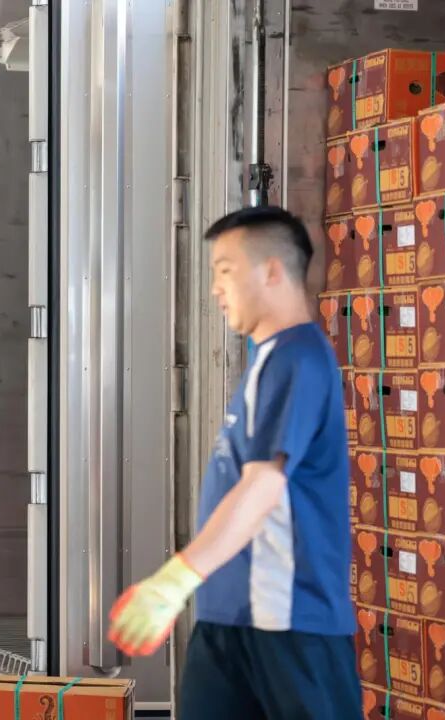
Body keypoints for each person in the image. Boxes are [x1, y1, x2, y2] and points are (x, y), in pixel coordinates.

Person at [108, 206, 359, 719]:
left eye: (225, 271)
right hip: (229, 616)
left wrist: (175, 580)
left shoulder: (297, 358)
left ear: (272, 271)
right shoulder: (265, 360)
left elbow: (263, 486)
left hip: (289, 622)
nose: (215, 290)